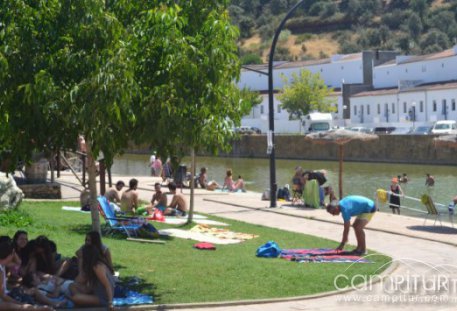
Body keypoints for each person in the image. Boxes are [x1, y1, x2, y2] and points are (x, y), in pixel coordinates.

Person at [0, 238, 54, 311]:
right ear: (11, 254)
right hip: (3, 300)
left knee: (28, 300)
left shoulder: (3, 265)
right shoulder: (1, 268)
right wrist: (20, 304)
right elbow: (3, 296)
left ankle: (40, 307)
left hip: (6, 296)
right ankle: (38, 308)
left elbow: (18, 263)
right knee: (24, 307)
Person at [69, 244, 115, 310]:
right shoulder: (92, 265)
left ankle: (81, 301)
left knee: (76, 298)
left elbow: (107, 285)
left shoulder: (97, 267)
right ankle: (84, 301)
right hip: (95, 291)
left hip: (103, 297)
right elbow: (79, 280)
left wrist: (110, 302)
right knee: (71, 286)